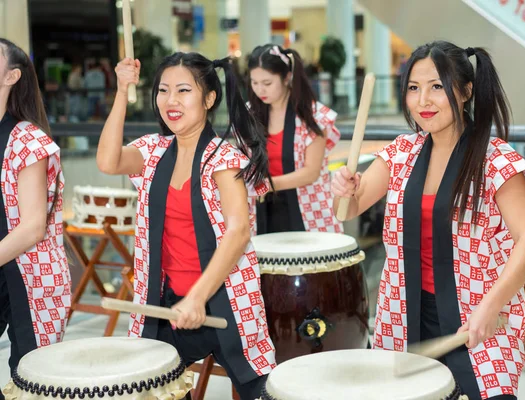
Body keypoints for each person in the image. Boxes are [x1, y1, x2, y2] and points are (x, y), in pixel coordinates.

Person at [332, 41, 525, 400]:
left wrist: (491, 307)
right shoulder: (402, 152)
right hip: (403, 310)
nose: (423, 101)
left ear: (465, 91)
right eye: (414, 88)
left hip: (478, 313)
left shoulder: (496, 162)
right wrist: (344, 188)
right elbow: (348, 209)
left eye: (436, 87)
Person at [96, 52, 275, 400]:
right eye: (163, 91)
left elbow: (238, 231)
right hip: (169, 306)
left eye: (183, 90)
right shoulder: (153, 151)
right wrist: (121, 91)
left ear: (209, 98)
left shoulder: (224, 158)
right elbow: (108, 160)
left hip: (228, 305)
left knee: (261, 392)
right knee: (149, 388)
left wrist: (197, 298)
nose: (171, 101)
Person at [0, 38, 70, 396]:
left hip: (29, 273)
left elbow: (32, 227)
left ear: (11, 76)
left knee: (31, 377)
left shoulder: (28, 140)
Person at [247, 44, 343, 234]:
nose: (260, 90)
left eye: (267, 83)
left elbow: (311, 172)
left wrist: (268, 185)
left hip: (308, 208)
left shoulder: (312, 115)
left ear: (287, 77)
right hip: (261, 210)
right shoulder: (249, 113)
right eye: (254, 82)